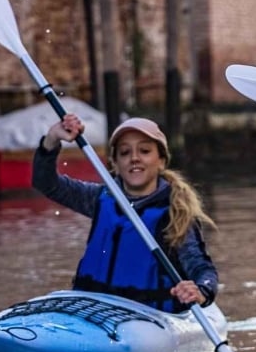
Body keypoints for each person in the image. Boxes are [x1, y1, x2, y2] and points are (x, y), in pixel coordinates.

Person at [35, 113, 218, 314]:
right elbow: (46, 183)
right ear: (115, 163)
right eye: (124, 152)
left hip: (149, 317)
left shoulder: (176, 212)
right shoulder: (99, 198)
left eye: (145, 151)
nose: (134, 158)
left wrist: (200, 291)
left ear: (161, 161)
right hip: (92, 309)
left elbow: (202, 269)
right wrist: (51, 140)